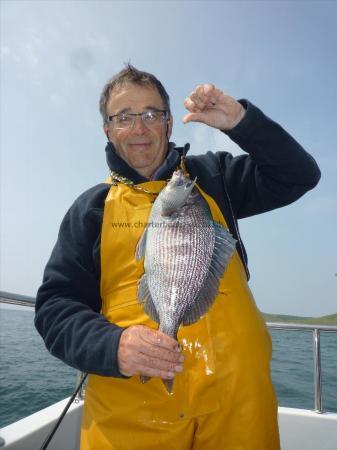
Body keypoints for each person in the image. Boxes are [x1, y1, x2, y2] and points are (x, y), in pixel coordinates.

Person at [35, 64, 321, 450]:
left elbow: (298, 175)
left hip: (240, 408)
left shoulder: (214, 177)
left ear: (169, 124)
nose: (139, 128)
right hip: (133, 417)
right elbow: (56, 306)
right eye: (124, 117)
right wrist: (112, 346)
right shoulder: (91, 208)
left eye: (152, 114)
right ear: (107, 129)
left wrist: (241, 121)